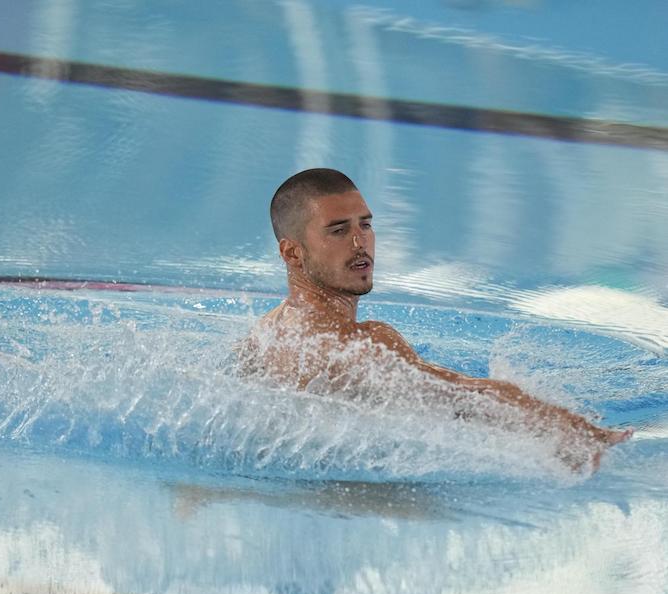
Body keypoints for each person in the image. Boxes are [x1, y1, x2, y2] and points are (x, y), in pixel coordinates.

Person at [236, 168, 631, 471]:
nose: (360, 243)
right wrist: (572, 431)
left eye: (366, 225)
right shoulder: (362, 342)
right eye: (338, 230)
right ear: (292, 253)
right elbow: (462, 398)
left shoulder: (268, 332)